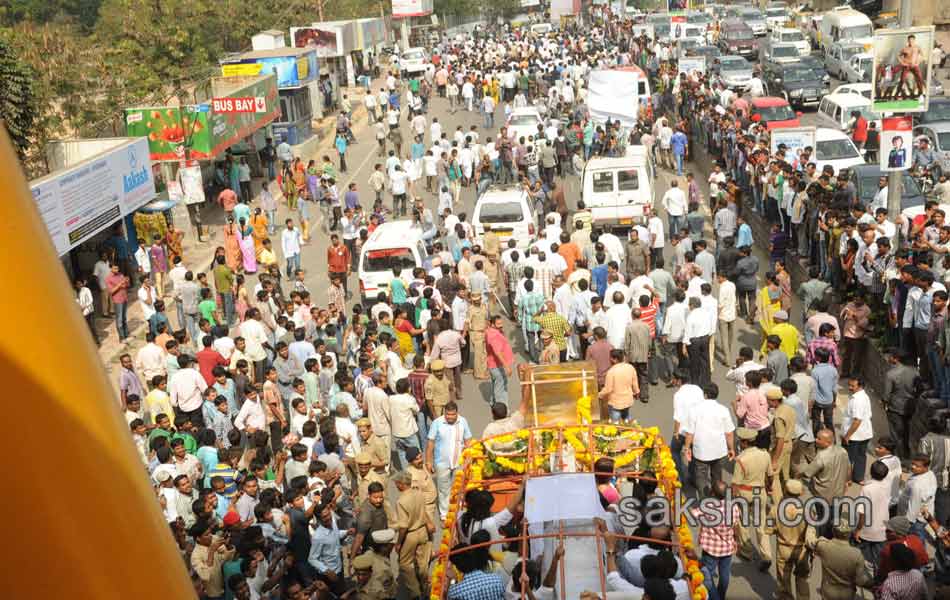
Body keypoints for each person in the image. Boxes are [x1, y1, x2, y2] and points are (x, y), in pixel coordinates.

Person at [731, 427, 773, 572]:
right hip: (760, 492)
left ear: (744, 442)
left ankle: (747, 551)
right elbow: (770, 476)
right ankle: (766, 555)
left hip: (745, 493)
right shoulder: (765, 454)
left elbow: (736, 483)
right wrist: (768, 489)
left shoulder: (741, 459)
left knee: (743, 522)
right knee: (761, 525)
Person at [683, 383, 736, 497]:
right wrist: (731, 448)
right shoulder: (723, 410)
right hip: (719, 451)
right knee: (717, 478)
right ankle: (717, 499)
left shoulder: (694, 410)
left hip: (701, 452)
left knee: (701, 479)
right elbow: (729, 433)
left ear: (705, 394)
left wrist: (687, 448)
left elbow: (690, 433)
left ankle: (704, 501)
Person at [426, 401, 472, 517]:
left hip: (459, 462)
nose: (450, 417)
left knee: (459, 487)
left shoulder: (463, 422)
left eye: (453, 415)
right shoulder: (437, 423)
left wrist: (469, 458)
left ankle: (459, 512)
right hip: (441, 463)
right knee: (443, 490)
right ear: (444, 413)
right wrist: (428, 461)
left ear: (457, 413)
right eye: (448, 414)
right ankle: (444, 514)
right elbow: (430, 443)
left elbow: (468, 441)